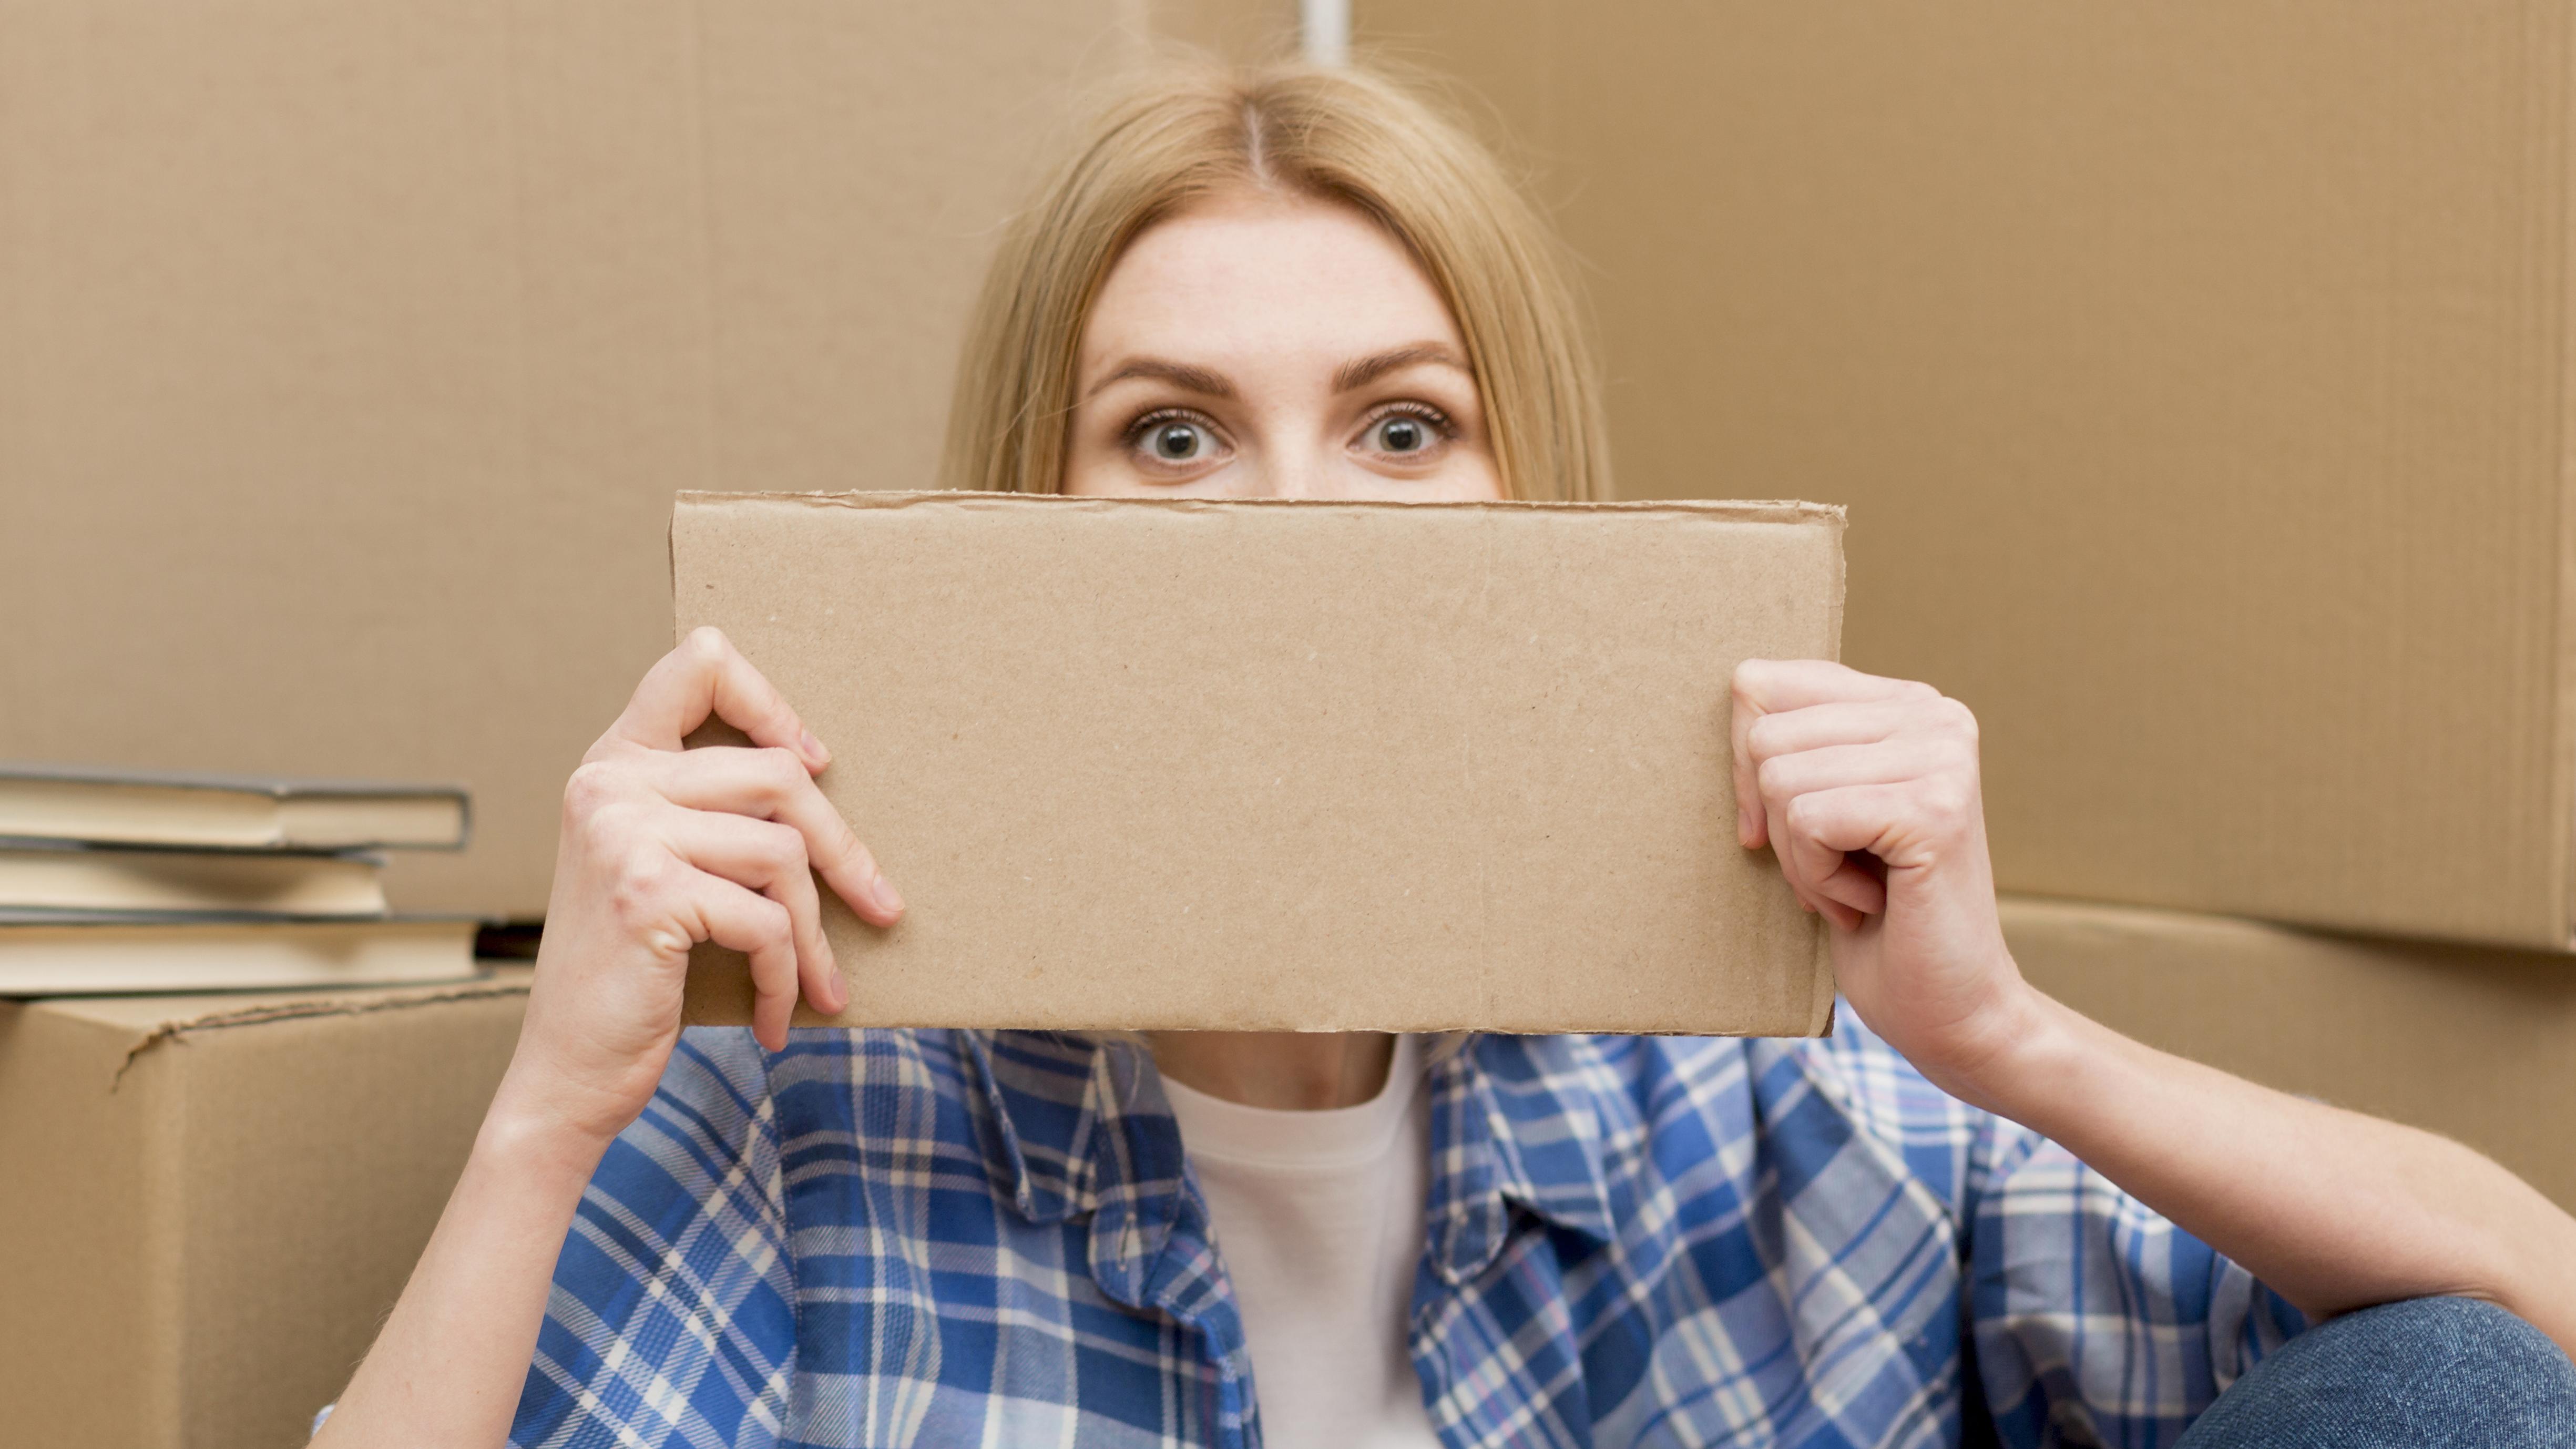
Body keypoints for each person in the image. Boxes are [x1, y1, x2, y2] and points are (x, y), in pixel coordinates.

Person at [313, 59, 2576, 1448]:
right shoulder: (802, 1106)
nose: (1295, 518)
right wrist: (545, 1113)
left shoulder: (1763, 1089)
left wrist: (1999, 1032)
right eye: (1170, 434)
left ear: (1535, 513)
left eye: (1403, 425)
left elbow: (2516, 1336)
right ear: (1025, 513)